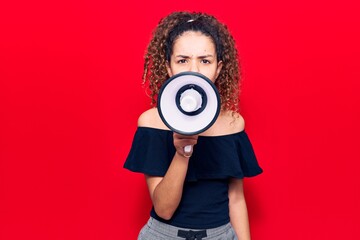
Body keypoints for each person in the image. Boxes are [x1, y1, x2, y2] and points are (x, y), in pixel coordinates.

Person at [124, 11, 263, 240]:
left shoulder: (233, 124)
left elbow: (236, 199)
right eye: (182, 60)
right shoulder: (151, 122)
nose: (194, 71)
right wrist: (183, 150)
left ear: (218, 69)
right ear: (168, 68)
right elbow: (164, 209)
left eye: (205, 61)